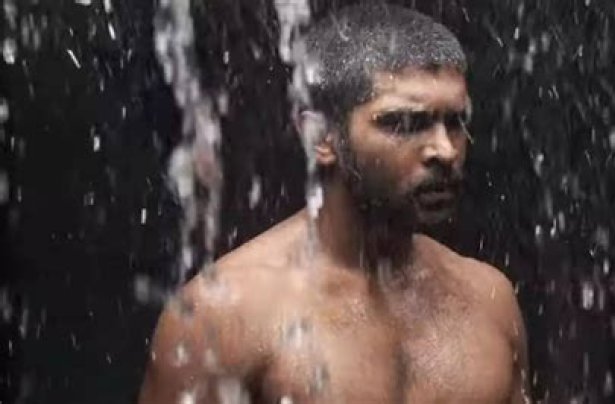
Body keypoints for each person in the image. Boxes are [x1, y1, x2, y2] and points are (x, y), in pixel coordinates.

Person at [139, 3, 530, 403]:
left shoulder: (489, 299)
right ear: (320, 138)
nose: (445, 150)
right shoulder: (223, 314)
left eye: (455, 122)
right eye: (404, 123)